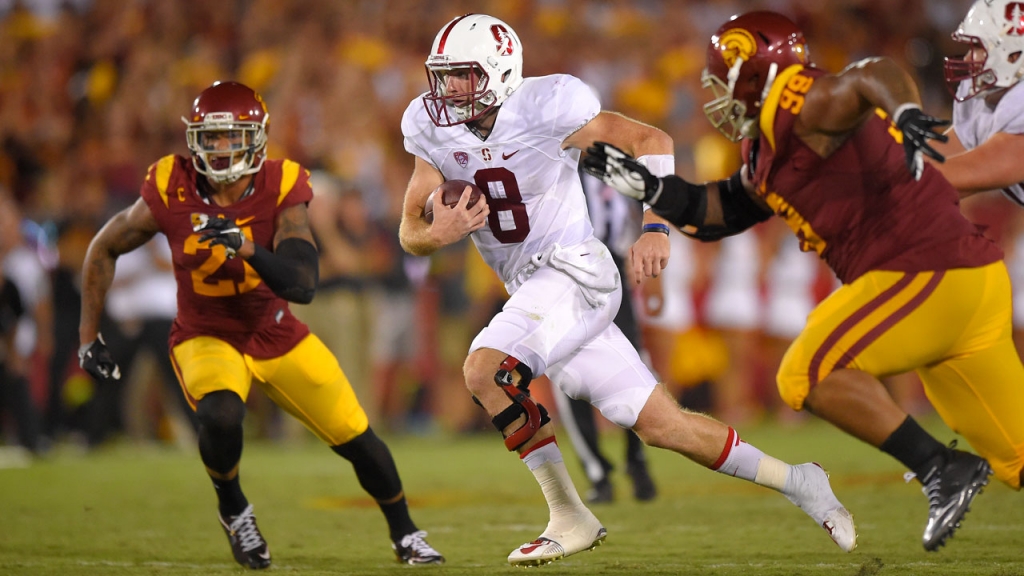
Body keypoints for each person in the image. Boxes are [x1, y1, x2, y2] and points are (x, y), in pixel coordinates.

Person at [399, 13, 856, 567]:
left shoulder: (547, 105)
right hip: (532, 290)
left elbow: (650, 139)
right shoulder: (430, 124)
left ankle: (568, 515)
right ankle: (801, 482)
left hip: (575, 272)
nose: (447, 90)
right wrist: (435, 235)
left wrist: (655, 226)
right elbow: (410, 231)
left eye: (462, 76)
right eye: (442, 76)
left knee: (484, 369)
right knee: (666, 427)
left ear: (499, 71)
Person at [584, 10, 1024, 552]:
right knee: (1018, 458)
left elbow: (869, 74)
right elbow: (715, 211)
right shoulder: (768, 146)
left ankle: (940, 467)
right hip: (960, 286)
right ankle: (946, 465)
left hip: (924, 270)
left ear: (754, 74)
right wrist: (645, 186)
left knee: (808, 372)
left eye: (725, 79)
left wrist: (905, 109)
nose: (720, 95)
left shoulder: (799, 99)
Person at [77, 81, 444, 569]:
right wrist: (88, 337)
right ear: (194, 140)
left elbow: (303, 283)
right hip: (205, 333)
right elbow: (103, 246)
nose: (221, 148)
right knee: (222, 414)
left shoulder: (280, 184)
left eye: (232, 137)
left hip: (275, 331)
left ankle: (407, 534)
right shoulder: (172, 183)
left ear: (257, 138)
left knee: (358, 437)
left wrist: (247, 247)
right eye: (211, 137)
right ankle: (234, 508)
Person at [553, 167, 656, 504]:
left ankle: (637, 460)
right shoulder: (552, 158)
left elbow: (645, 211)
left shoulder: (614, 161)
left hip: (613, 265)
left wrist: (656, 276)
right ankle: (598, 472)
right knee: (565, 371)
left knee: (638, 365)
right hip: (565, 269)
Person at [935, 0, 1024, 205]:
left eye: (977, 46)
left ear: (1014, 55)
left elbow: (948, 180)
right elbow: (932, 158)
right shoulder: (989, 99)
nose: (967, 59)